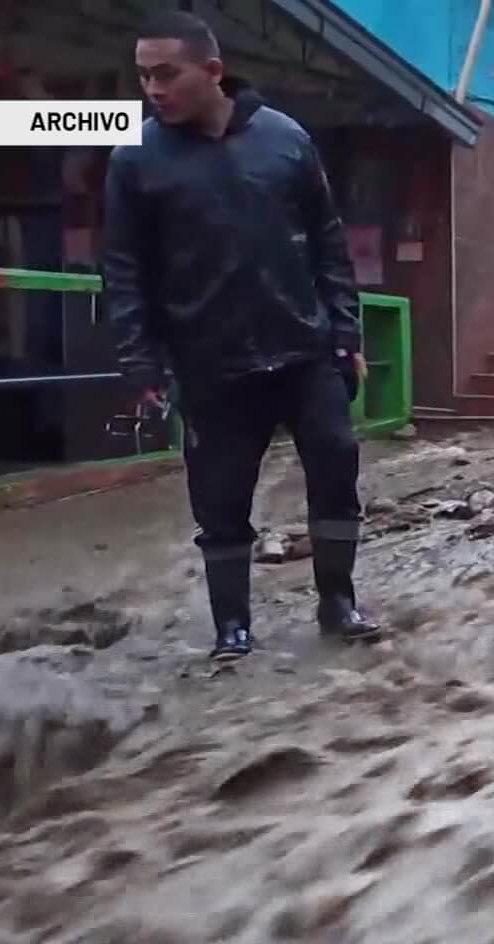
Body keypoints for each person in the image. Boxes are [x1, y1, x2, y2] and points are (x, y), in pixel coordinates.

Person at [103, 11, 379, 662]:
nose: (153, 88)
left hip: (304, 349)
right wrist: (140, 365)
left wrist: (345, 330)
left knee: (337, 465)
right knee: (219, 499)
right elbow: (123, 272)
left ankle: (338, 601)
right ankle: (233, 627)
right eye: (144, 75)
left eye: (167, 73)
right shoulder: (134, 159)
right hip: (209, 360)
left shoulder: (285, 140)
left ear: (213, 71)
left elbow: (329, 243)